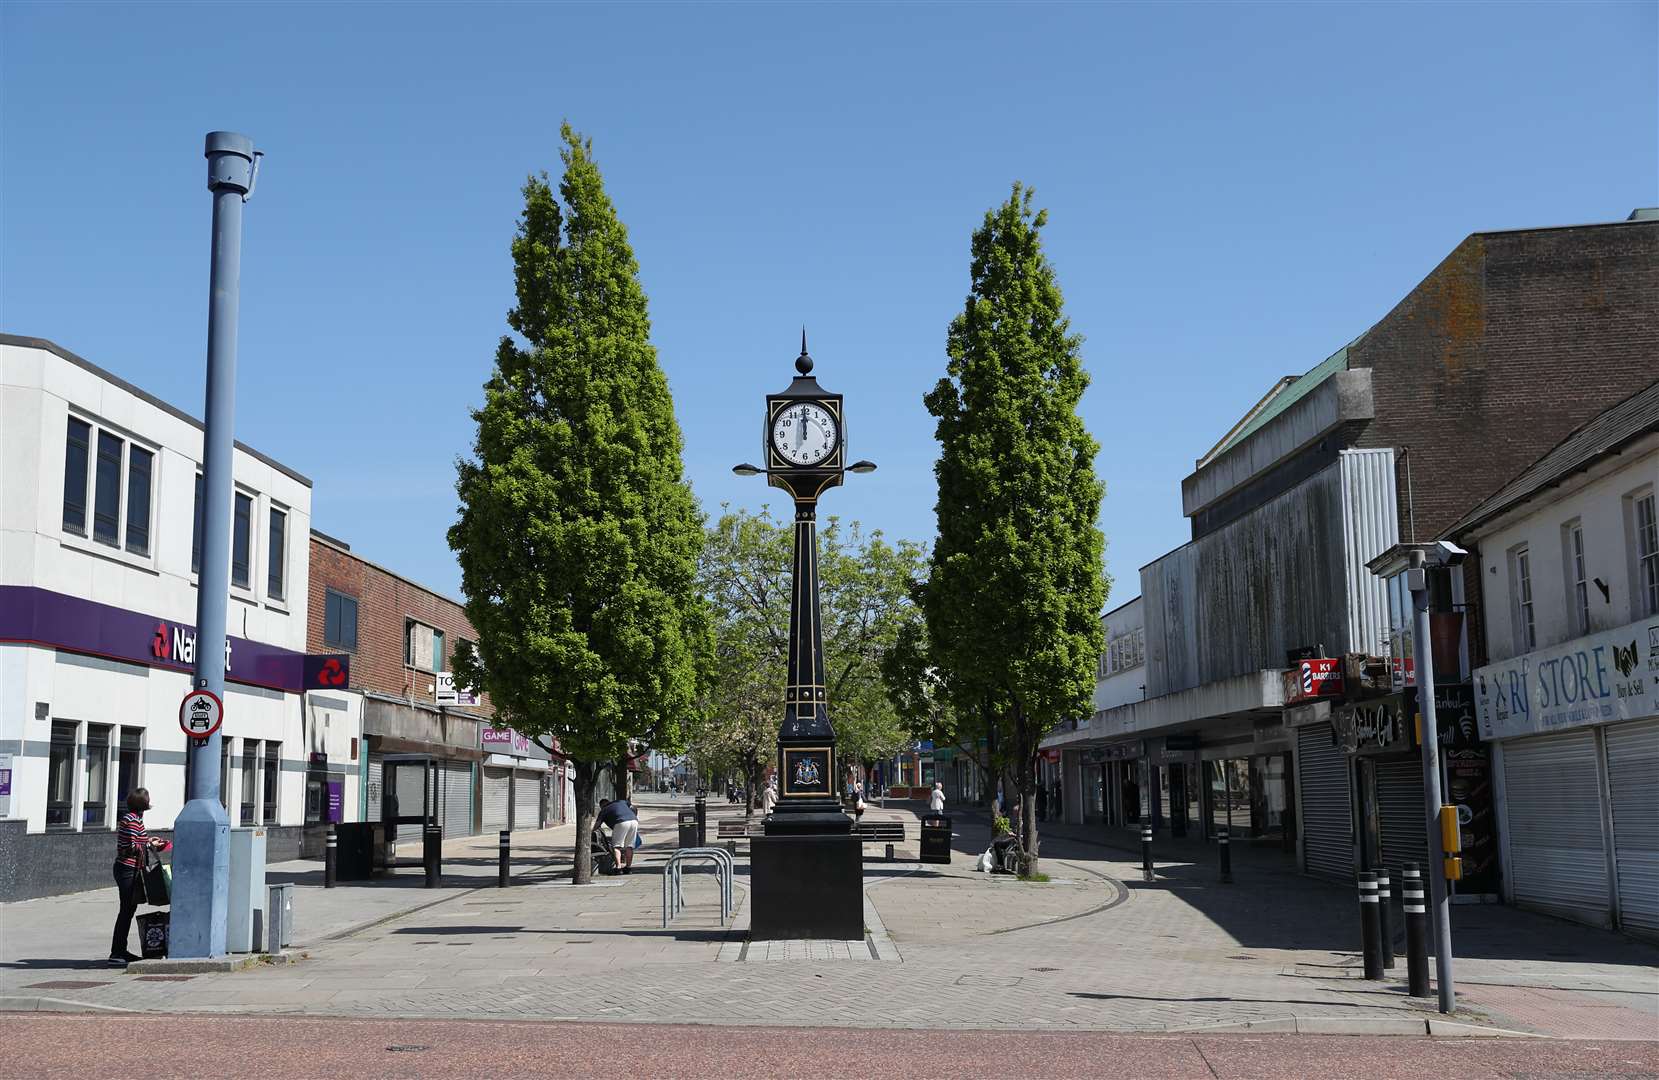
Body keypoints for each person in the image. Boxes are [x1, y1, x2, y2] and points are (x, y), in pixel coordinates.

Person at [111, 788, 164, 966]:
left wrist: (149, 841)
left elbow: (136, 841)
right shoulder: (132, 820)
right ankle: (117, 953)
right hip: (127, 869)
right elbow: (133, 846)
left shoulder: (133, 818)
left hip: (127, 869)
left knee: (128, 909)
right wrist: (150, 844)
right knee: (126, 910)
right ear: (143, 804)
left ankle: (120, 950)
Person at [596, 797, 639, 875]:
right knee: (629, 846)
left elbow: (597, 825)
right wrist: (633, 816)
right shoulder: (621, 801)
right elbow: (634, 808)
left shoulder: (604, 810)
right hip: (634, 821)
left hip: (621, 822)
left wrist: (591, 831)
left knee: (617, 847)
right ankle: (628, 868)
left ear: (602, 805)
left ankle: (618, 868)